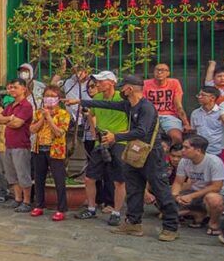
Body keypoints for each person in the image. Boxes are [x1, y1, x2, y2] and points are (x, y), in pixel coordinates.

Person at [68, 75, 180, 241]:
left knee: (160, 188)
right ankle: (133, 223)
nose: (121, 90)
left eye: (123, 87)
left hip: (151, 153)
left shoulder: (146, 107)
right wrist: (81, 102)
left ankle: (171, 227)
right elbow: (107, 104)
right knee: (134, 188)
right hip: (134, 152)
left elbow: (142, 131)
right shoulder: (129, 105)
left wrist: (116, 137)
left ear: (130, 88)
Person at [76, 71, 127, 226]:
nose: (97, 84)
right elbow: (91, 114)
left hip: (119, 142)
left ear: (111, 82)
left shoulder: (121, 98)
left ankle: (116, 211)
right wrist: (93, 130)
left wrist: (119, 135)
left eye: (100, 81)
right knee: (89, 177)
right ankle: (91, 208)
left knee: (119, 180)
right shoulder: (97, 98)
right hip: (101, 142)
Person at [172, 134, 224, 235]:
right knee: (164, 197)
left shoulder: (214, 162)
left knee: (213, 199)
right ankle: (199, 213)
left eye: (186, 147)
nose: (182, 150)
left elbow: (216, 187)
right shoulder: (184, 161)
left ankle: (214, 223)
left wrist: (190, 196)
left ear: (198, 151)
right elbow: (178, 182)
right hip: (195, 193)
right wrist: (176, 196)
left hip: (216, 195)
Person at [30, 85, 71, 220]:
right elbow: (32, 129)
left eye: (53, 96)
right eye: (47, 96)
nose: (49, 99)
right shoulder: (38, 112)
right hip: (39, 148)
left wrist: (49, 118)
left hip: (55, 151)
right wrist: (43, 117)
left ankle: (61, 208)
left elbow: (59, 132)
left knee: (59, 180)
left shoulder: (63, 114)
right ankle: (39, 205)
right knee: (39, 178)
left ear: (58, 99)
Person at [0, 78, 34, 212]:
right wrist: (9, 119)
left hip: (21, 144)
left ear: (23, 89)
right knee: (12, 174)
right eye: (11, 87)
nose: (12, 90)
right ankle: (17, 199)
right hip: (9, 144)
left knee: (23, 174)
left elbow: (17, 123)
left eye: (15, 87)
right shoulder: (11, 105)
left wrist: (8, 120)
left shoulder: (26, 106)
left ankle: (27, 201)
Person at [143, 63, 190, 144]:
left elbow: (178, 105)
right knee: (144, 138)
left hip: (169, 116)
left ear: (168, 73)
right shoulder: (146, 84)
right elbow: (143, 104)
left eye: (163, 70)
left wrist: (186, 123)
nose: (160, 72)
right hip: (151, 115)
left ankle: (172, 156)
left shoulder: (174, 83)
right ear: (153, 72)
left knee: (177, 137)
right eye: (157, 70)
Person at [190, 86, 224, 155]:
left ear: (212, 98)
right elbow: (194, 131)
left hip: (218, 151)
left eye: (202, 95)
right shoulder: (195, 113)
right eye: (199, 95)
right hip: (200, 151)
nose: (199, 97)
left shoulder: (222, 113)